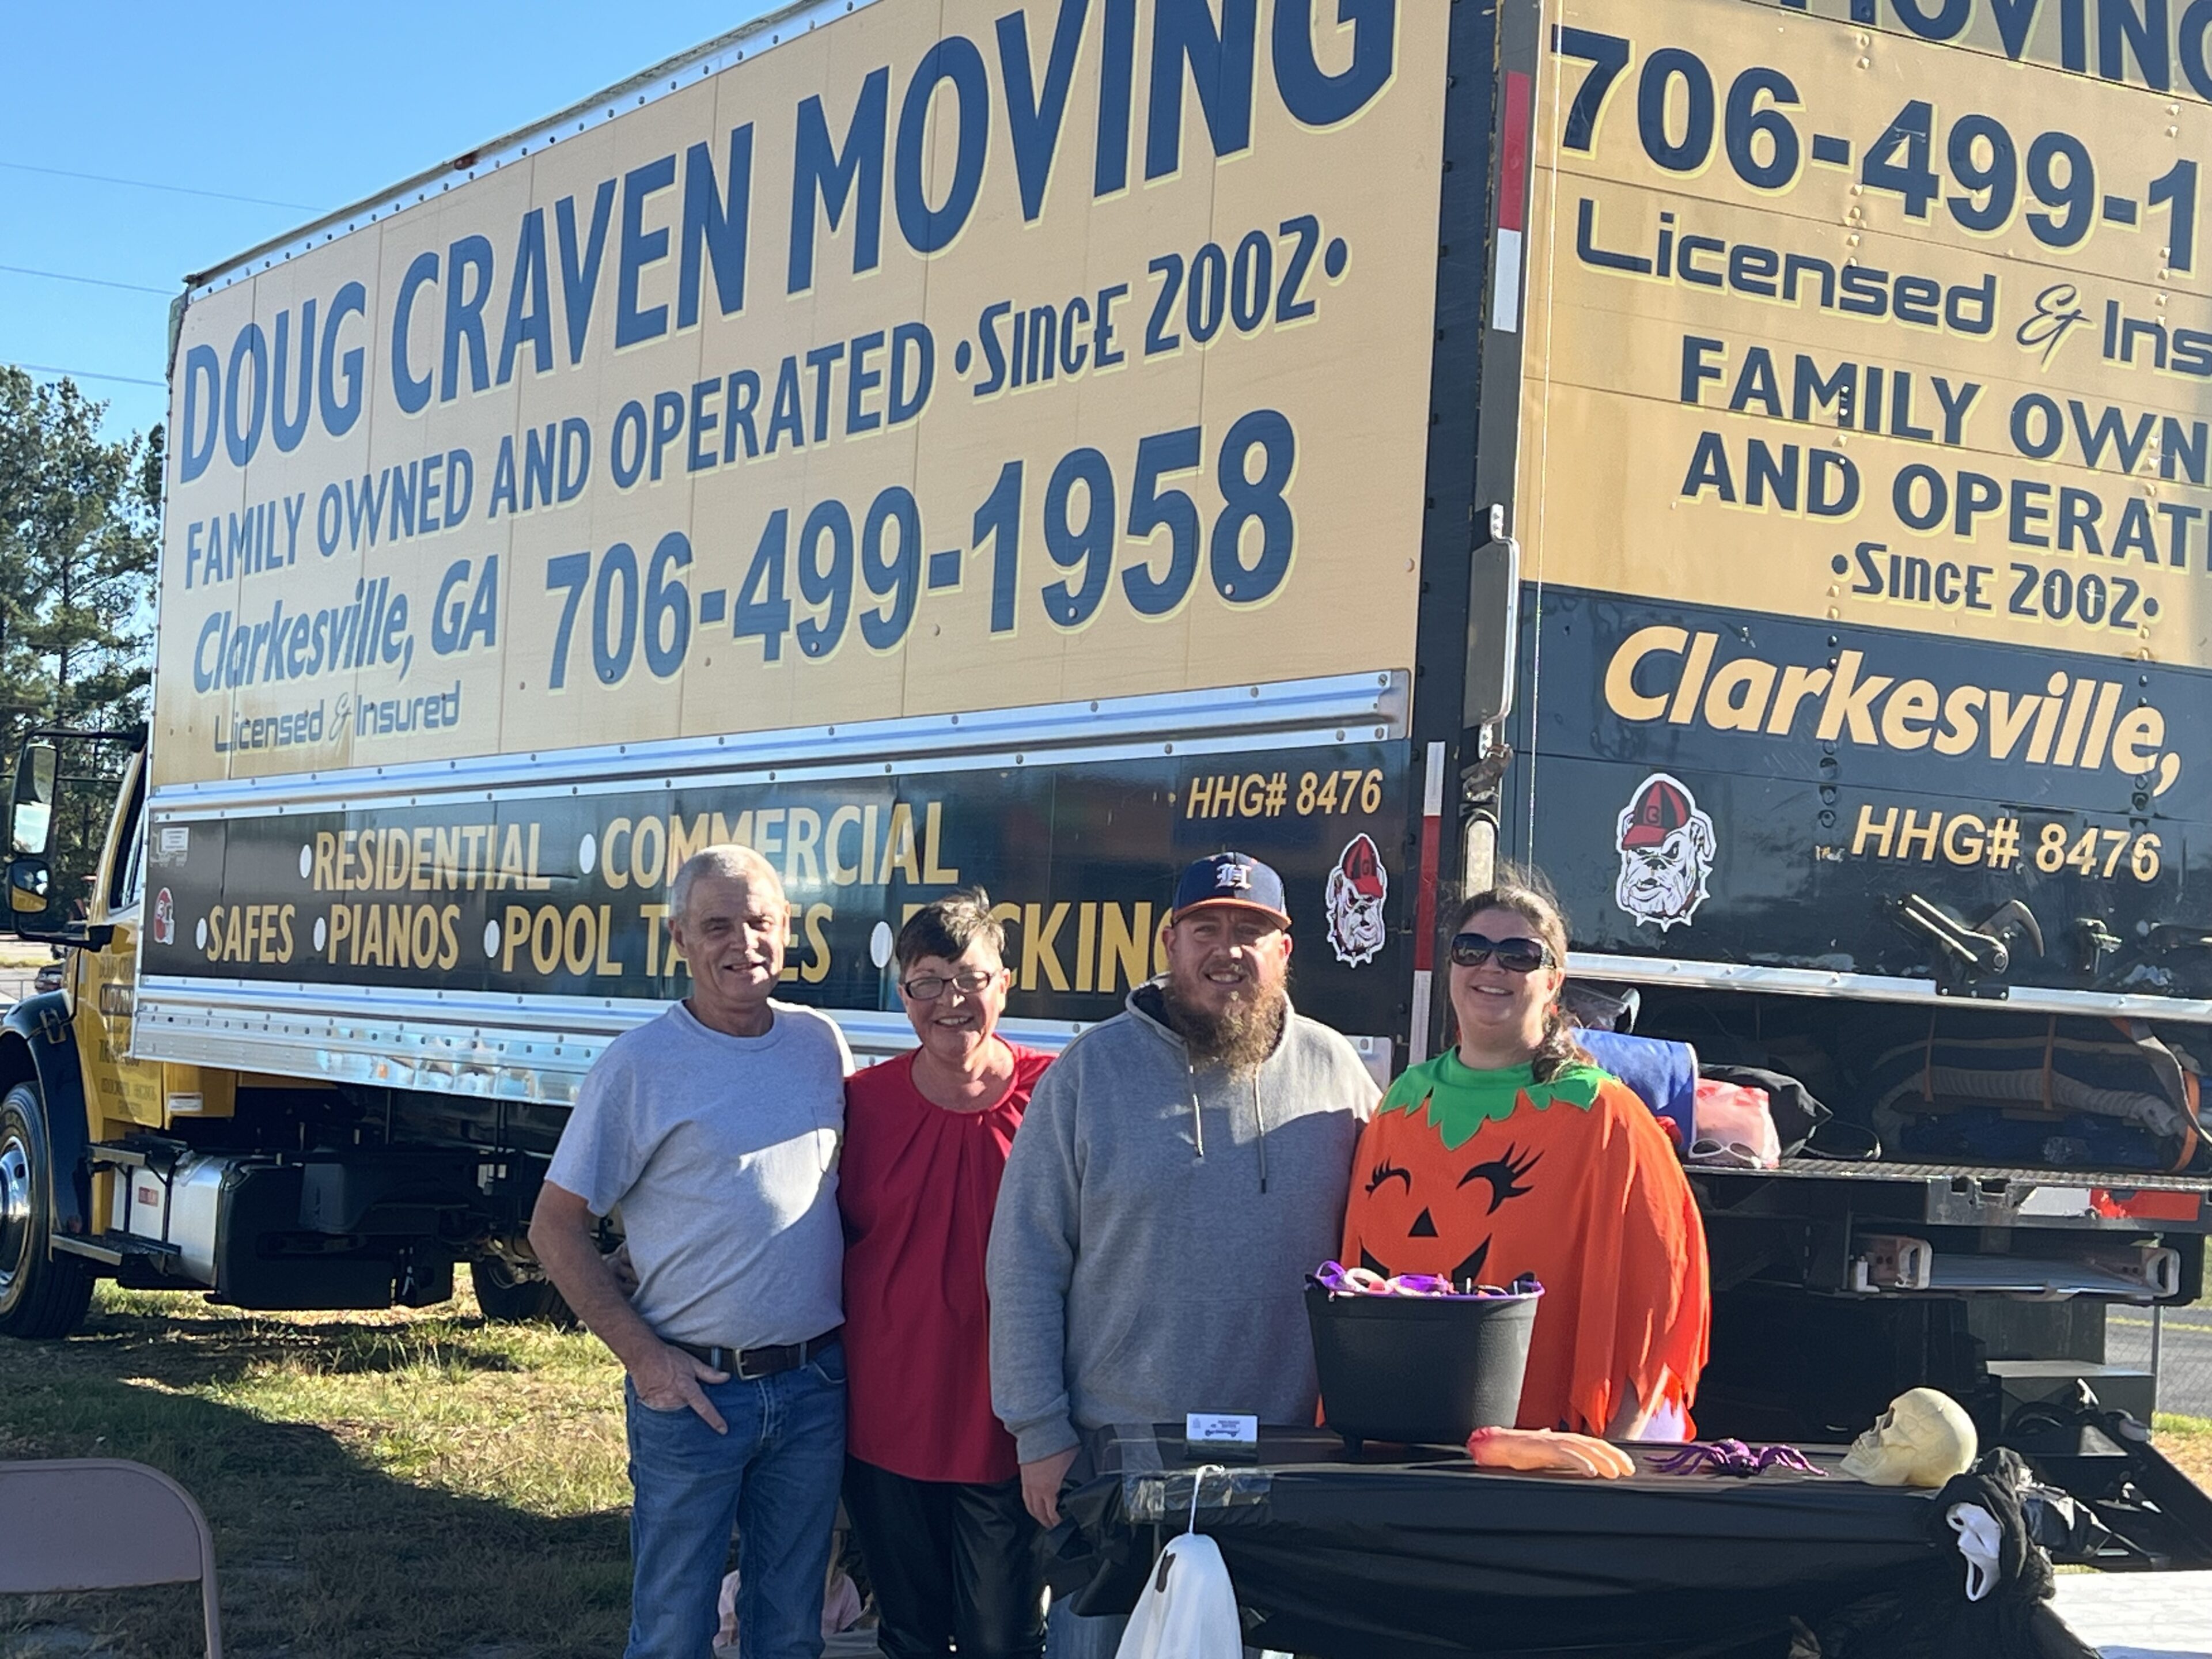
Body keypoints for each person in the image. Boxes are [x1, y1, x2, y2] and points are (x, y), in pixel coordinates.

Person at [987, 852, 1377, 1658]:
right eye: (1206, 929)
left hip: (1282, 1470)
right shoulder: (1089, 1073)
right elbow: (1025, 1261)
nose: (1227, 950)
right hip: (1115, 1463)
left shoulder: (1337, 1072)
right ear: (1170, 942)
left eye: (1250, 931)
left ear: (1284, 950)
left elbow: (1390, 1244)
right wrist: (1040, 1434)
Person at [529, 844, 853, 1659]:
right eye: (717, 927)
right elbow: (554, 1227)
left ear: (788, 929)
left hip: (812, 1387)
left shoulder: (820, 1044)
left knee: (792, 1632)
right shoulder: (640, 1066)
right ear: (679, 938)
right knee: (674, 1631)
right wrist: (647, 1362)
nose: (743, 943)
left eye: (760, 922)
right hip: (695, 1395)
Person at [1338, 874, 1709, 1440]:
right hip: (1402, 1436)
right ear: (1451, 967)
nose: (1492, 967)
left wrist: (1616, 1452)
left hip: (1543, 1449)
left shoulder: (1602, 1115)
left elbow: (1657, 1295)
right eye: (1472, 950)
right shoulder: (1403, 1104)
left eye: (1519, 955)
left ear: (1554, 979)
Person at [840, 890, 1051, 1659]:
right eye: (927, 982)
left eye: (970, 979)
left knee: (1003, 1639)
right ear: (903, 995)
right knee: (910, 1635)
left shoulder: (1054, 1095)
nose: (950, 1001)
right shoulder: (861, 1105)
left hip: (1006, 1420)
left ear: (1005, 985)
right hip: (884, 1416)